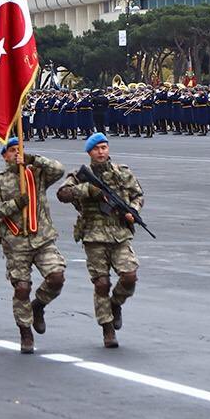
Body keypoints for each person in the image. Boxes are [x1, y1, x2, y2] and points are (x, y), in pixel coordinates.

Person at [57, 133, 144, 348]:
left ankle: (115, 304)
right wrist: (88, 190)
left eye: (104, 147)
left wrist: (133, 210)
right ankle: (107, 328)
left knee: (129, 277)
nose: (101, 152)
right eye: (96, 149)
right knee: (101, 283)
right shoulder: (80, 176)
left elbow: (138, 194)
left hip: (119, 234)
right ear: (89, 152)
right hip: (94, 236)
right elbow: (63, 194)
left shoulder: (122, 172)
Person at [0, 138, 67, 353]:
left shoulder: (35, 174)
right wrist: (15, 204)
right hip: (15, 242)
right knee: (21, 288)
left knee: (56, 277)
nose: (16, 153)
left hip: (42, 238)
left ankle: (38, 305)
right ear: (4, 156)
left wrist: (32, 159)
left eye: (19, 149)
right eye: (11, 150)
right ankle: (25, 331)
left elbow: (59, 170)